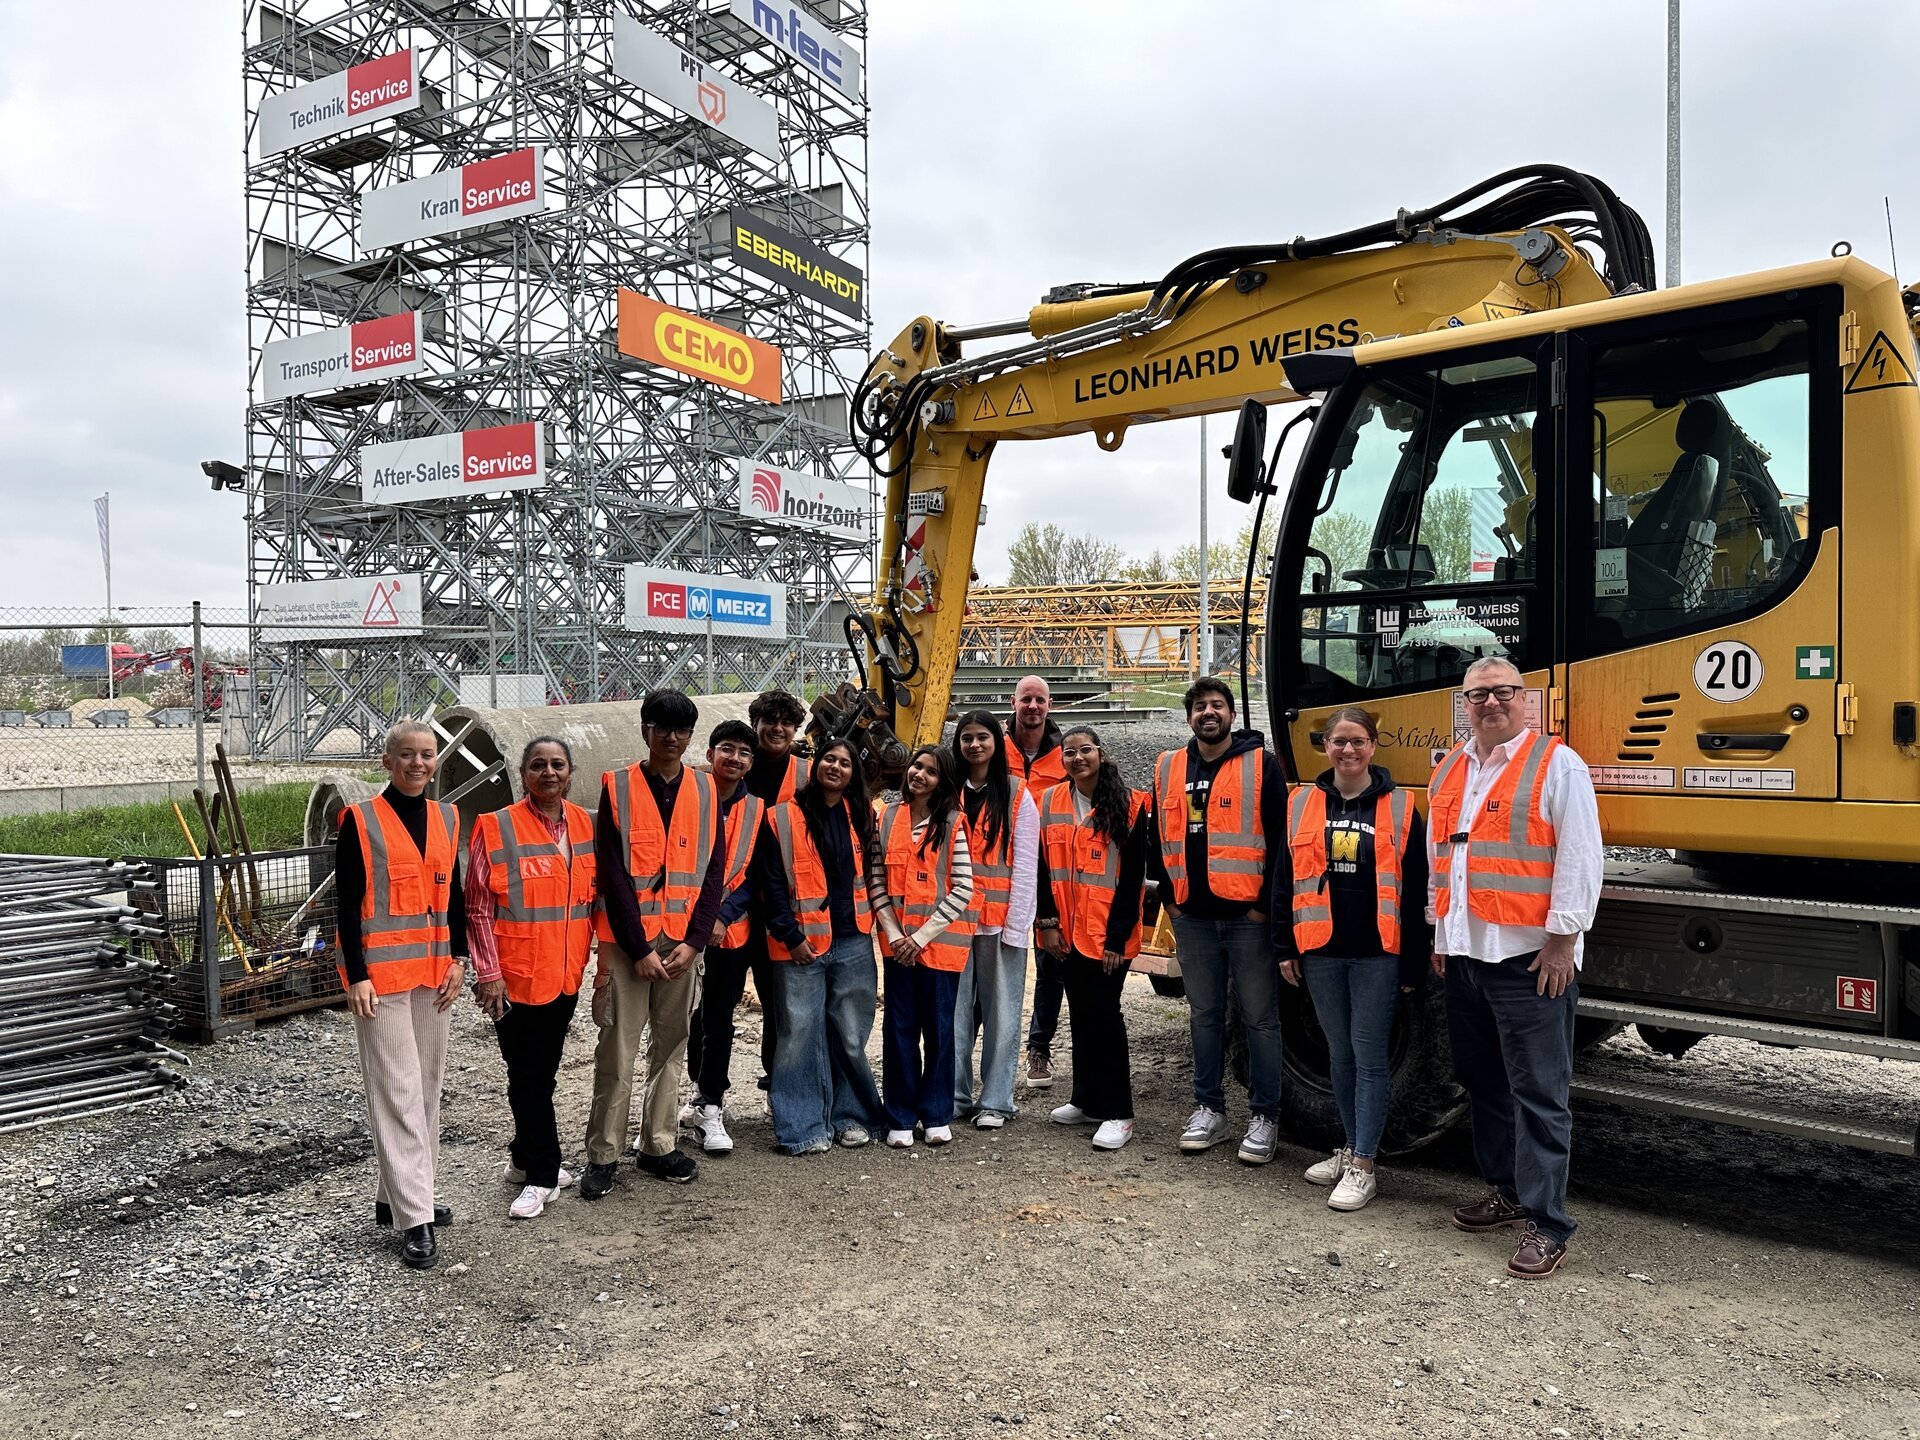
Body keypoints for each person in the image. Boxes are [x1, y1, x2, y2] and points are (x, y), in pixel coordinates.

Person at [1428, 657, 1602, 1280]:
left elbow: (1581, 858)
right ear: (1464, 703)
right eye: (1478, 695)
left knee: (1539, 1093)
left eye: (1503, 692)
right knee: (1483, 1082)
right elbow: (1440, 859)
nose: (1490, 703)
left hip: (1529, 961)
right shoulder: (1451, 768)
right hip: (1467, 956)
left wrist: (1563, 941)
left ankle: (1547, 1223)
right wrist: (1442, 933)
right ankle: (1505, 1191)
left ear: (1526, 701)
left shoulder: (1558, 764)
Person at [1276, 707, 1430, 1211]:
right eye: (1339, 741)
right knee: (1339, 1055)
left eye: (1357, 741)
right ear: (1325, 745)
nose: (1348, 750)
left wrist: (1412, 962)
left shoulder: (1403, 808)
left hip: (1376, 954)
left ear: (1373, 745)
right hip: (1321, 950)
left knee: (1369, 1058)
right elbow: (1283, 881)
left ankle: (1364, 1163)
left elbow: (1416, 893)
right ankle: (1348, 1148)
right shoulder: (1301, 803)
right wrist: (1285, 947)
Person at [581, 689, 728, 1197]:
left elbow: (714, 873)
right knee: (617, 1051)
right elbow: (612, 874)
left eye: (681, 730)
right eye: (662, 728)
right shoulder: (618, 788)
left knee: (671, 1048)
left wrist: (693, 941)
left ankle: (658, 1144)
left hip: (682, 942)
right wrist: (638, 948)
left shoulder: (707, 792)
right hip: (632, 944)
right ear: (645, 730)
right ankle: (604, 1153)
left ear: (690, 736)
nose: (671, 738)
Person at [334, 719, 467, 1270]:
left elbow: (453, 894)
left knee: (428, 1090)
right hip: (382, 982)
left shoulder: (447, 817)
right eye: (407, 755)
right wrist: (356, 975)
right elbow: (345, 904)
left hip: (434, 977)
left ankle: (400, 1198)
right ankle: (416, 1218)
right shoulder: (360, 822)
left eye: (427, 754)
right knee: (398, 1092)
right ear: (387, 762)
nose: (419, 763)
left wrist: (460, 958)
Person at [1148, 676, 1288, 1166]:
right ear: (1189, 717)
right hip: (1193, 918)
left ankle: (1264, 1115)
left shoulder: (1260, 765)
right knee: (1205, 1017)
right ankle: (1209, 1109)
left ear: (1231, 714)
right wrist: (1172, 900)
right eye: (1200, 706)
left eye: (1218, 705)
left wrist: (1262, 908)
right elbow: (1156, 841)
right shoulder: (1168, 767)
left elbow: (1281, 840)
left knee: (1260, 1020)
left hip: (1246, 918)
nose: (1209, 713)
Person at [467, 737, 596, 1220]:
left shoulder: (585, 825)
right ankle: (544, 1173)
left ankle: (525, 1158)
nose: (548, 772)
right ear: (523, 774)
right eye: (538, 765)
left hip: (565, 975)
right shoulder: (497, 827)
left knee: (539, 1072)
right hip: (515, 977)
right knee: (528, 1076)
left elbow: (592, 898)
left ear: (570, 772)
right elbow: (478, 906)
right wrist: (489, 973)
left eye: (557, 765)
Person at [754, 736, 887, 1154]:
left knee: (849, 1034)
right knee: (798, 1037)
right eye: (829, 759)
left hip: (852, 940)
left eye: (845, 763)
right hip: (799, 945)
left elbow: (875, 874)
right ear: (816, 765)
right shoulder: (780, 818)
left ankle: (851, 1117)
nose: (836, 767)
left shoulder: (864, 815)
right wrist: (789, 936)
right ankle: (803, 1126)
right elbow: (770, 886)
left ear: (854, 773)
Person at [1035, 725, 1150, 1151]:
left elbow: (1133, 876)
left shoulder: (1131, 805)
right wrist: (1046, 923)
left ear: (1100, 754)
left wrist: (1117, 941)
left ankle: (1119, 1111)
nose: (1077, 758)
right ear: (1061, 760)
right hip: (1066, 931)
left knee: (1104, 1017)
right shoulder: (1051, 801)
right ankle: (1085, 1099)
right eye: (1069, 752)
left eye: (1085, 750)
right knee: (1081, 1015)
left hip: (1106, 936)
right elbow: (1045, 867)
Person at [870, 746, 975, 1147]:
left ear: (942, 781)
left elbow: (964, 886)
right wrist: (896, 935)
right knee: (899, 1030)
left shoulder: (953, 823)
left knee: (938, 1030)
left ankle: (935, 1113)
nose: (920, 775)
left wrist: (920, 937)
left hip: (939, 949)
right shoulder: (887, 817)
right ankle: (899, 1115)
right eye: (917, 766)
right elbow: (876, 880)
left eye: (931, 772)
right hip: (898, 948)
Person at [949, 711, 1039, 1130]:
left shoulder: (1019, 795)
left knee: (1003, 1013)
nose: (974, 745)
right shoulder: (949, 793)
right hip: (954, 923)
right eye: (966, 738)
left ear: (996, 743)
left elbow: (1026, 865)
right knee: (954, 1014)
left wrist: (1018, 925)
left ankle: (997, 1100)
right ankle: (954, 1095)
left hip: (1001, 923)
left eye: (982, 737)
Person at [683, 720, 765, 1155]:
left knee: (719, 1017)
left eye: (743, 753)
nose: (734, 759)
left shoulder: (756, 810)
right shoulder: (688, 798)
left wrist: (722, 916)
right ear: (711, 752)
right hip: (681, 927)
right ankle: (699, 1087)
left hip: (730, 932)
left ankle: (709, 1102)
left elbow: (754, 873)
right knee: (690, 1018)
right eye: (727, 749)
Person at [739, 689, 813, 1090]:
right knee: (714, 1004)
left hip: (782, 906)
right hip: (736, 904)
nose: (779, 729)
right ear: (757, 725)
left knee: (778, 1000)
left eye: (787, 723)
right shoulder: (736, 767)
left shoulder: (806, 773)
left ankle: (777, 1078)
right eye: (771, 721)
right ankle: (706, 1091)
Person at [1006, 676, 1069, 1090]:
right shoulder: (994, 747)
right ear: (1014, 702)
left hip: (1051, 869)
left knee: (1051, 966)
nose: (1033, 706)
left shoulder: (1065, 756)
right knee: (991, 966)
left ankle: (1038, 1049)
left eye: (1040, 700)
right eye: (1026, 699)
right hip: (1002, 870)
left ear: (1049, 706)